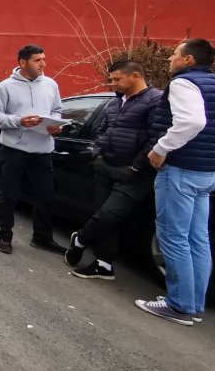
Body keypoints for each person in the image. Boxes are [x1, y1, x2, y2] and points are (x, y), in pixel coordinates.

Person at [135, 39, 215, 326]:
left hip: (181, 169)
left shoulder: (184, 83)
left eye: (175, 54)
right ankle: (193, 303)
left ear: (189, 59)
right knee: (197, 238)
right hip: (208, 171)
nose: (170, 59)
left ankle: (178, 305)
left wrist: (161, 148)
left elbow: (191, 122)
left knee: (173, 236)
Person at [65, 60, 162, 280]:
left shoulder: (155, 101)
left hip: (134, 173)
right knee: (104, 215)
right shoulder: (115, 102)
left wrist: (135, 166)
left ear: (136, 75)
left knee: (109, 214)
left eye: (117, 79)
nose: (113, 84)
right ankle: (104, 263)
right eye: (112, 79)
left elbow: (155, 138)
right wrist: (98, 156)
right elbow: (102, 131)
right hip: (105, 166)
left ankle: (80, 239)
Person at [0, 45, 66, 254]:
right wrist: (19, 121)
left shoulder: (51, 84)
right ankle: (5, 235)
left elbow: (57, 110)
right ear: (23, 63)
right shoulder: (6, 86)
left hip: (43, 150)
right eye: (37, 60)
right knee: (9, 195)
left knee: (45, 196)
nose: (43, 64)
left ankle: (42, 237)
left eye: (44, 59)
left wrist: (54, 125)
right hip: (14, 149)